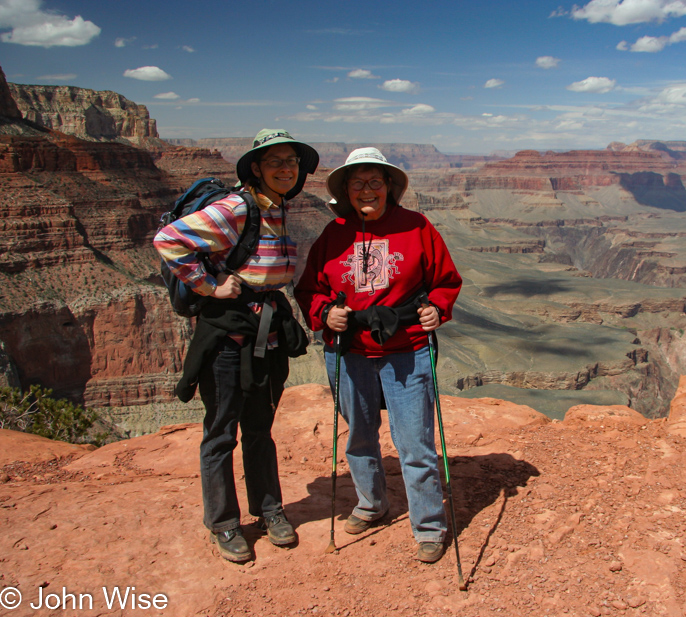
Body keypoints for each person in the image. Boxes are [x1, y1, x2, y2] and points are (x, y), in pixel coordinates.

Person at [154, 129, 318, 562]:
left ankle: (269, 510)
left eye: (293, 162)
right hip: (229, 337)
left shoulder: (276, 206)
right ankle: (224, 524)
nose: (287, 168)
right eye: (276, 161)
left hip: (267, 333)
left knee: (260, 428)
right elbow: (169, 241)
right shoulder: (237, 206)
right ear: (256, 169)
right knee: (222, 431)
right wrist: (210, 285)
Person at [295, 147, 462, 563]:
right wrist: (324, 313)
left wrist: (436, 309)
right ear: (346, 191)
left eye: (374, 182)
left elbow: (445, 279)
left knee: (415, 441)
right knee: (359, 435)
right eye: (358, 183)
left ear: (389, 186)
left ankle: (428, 525)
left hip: (406, 348)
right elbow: (309, 289)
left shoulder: (417, 226)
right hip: (348, 349)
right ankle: (372, 504)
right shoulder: (333, 234)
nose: (366, 190)